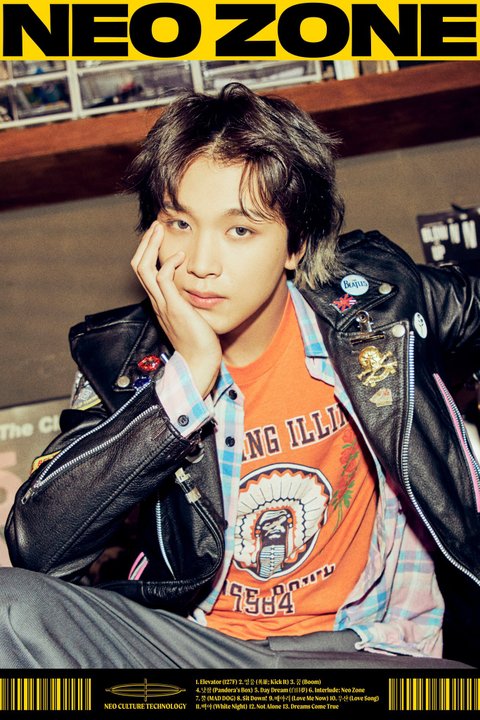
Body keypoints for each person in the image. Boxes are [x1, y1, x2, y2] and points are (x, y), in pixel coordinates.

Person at [2, 83, 479, 669]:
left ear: (296, 244)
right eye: (179, 223)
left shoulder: (382, 307)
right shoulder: (123, 364)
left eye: (240, 230)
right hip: (200, 653)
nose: (200, 265)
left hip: (367, 651)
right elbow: (39, 549)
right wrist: (187, 380)